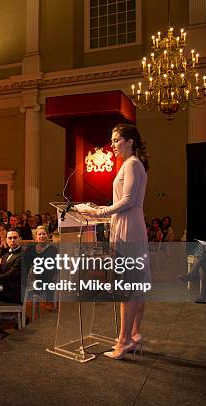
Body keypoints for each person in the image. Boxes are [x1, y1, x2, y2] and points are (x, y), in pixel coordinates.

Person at [80, 123, 149, 360]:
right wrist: (102, 210)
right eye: (112, 140)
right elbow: (125, 202)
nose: (113, 145)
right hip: (129, 225)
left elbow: (128, 200)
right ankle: (134, 333)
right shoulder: (133, 164)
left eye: (117, 140)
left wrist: (100, 213)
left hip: (129, 228)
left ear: (130, 141)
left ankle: (123, 341)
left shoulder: (131, 163)